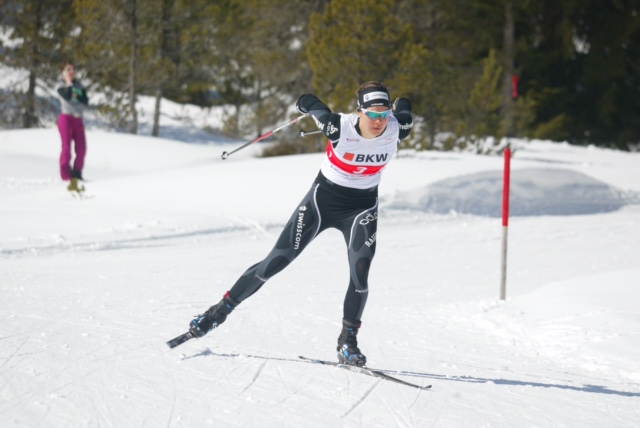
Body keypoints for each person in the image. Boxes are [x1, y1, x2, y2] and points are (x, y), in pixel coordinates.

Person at [189, 81, 413, 367]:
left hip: (362, 207)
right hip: (323, 203)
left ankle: (348, 343)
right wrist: (305, 106)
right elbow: (308, 100)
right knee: (276, 262)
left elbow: (405, 107)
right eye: (373, 114)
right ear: (359, 113)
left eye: (384, 114)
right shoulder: (337, 127)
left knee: (360, 273)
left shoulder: (397, 128)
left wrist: (399, 106)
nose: (379, 121)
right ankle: (216, 313)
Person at [56, 62, 89, 192]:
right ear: (64, 72)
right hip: (66, 118)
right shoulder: (60, 86)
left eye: (73, 70)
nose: (71, 72)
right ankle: (66, 175)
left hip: (78, 119)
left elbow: (85, 100)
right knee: (66, 148)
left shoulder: (80, 86)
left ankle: (77, 172)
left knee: (81, 148)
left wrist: (76, 93)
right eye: (68, 70)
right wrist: (70, 85)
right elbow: (67, 95)